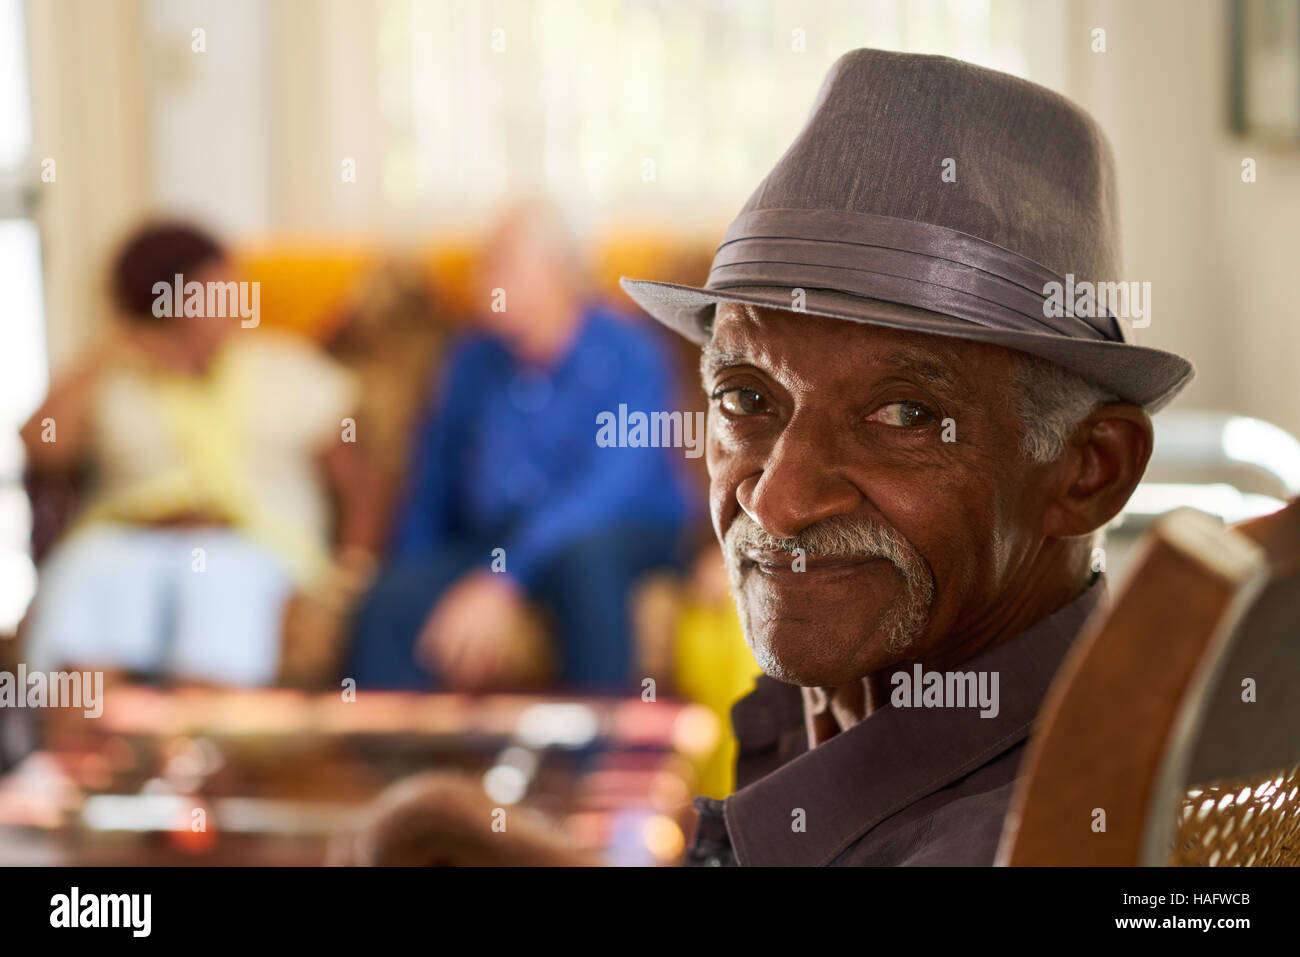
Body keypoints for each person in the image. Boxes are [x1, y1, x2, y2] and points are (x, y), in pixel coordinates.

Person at [619, 49, 1196, 865]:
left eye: (904, 414)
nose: (776, 503)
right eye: (747, 399)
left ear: (1088, 469)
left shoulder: (1020, 841)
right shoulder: (860, 695)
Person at [349, 201, 698, 692]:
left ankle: (593, 761)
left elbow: (606, 490)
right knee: (390, 601)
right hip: (498, 536)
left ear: (559, 273)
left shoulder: (630, 354)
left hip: (619, 532)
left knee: (585, 563)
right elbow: (432, 483)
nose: (481, 281)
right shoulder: (470, 359)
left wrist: (504, 578)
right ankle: (401, 766)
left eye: (500, 265)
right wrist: (414, 569)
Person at [20, 221, 383, 687]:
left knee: (217, 583)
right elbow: (43, 448)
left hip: (252, 547)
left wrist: (348, 575)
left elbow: (361, 483)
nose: (234, 302)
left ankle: (197, 752)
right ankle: (80, 754)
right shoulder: (116, 378)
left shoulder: (284, 367)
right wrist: (115, 344)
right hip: (127, 543)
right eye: (212, 291)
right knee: (91, 572)